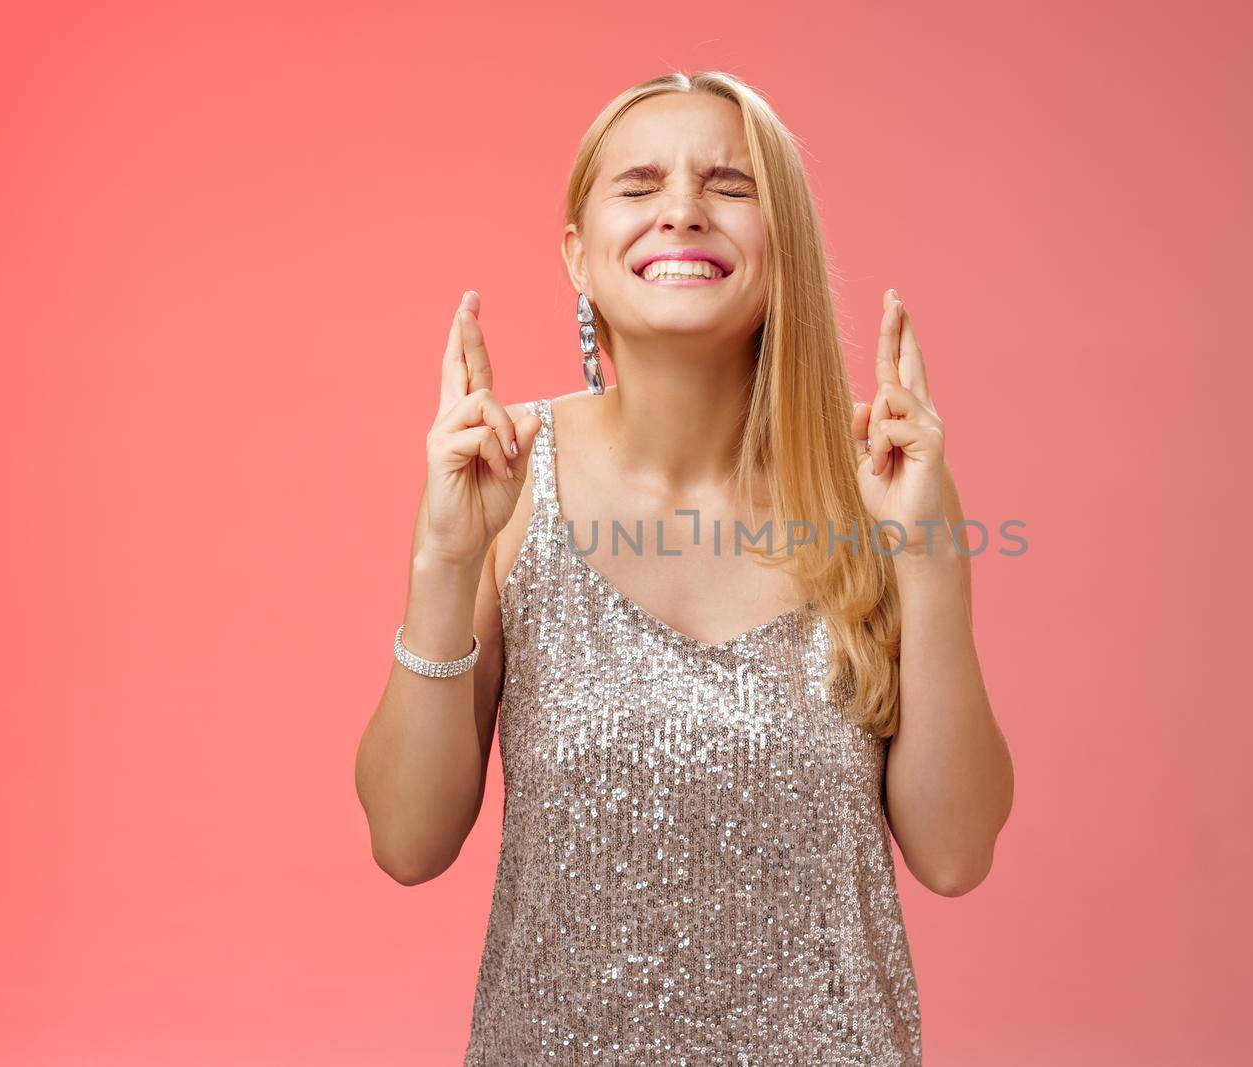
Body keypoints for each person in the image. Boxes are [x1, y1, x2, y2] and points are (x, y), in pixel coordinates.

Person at [354, 70, 1014, 1066]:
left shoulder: (876, 484)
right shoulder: (509, 477)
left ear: (781, 241)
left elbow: (956, 854)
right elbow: (408, 842)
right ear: (577, 253)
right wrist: (444, 558)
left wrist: (928, 557)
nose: (681, 210)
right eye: (639, 183)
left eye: (728, 185)